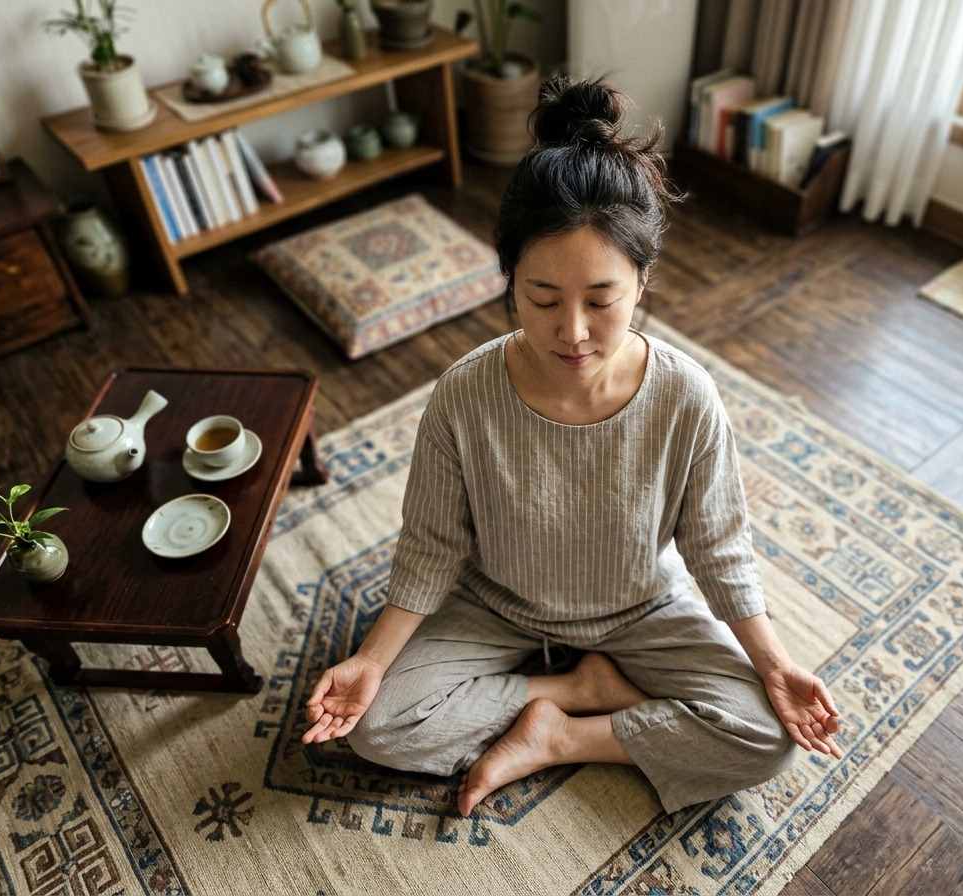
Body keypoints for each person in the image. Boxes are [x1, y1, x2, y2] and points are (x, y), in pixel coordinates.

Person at [301, 73, 843, 818]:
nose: (573, 332)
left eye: (602, 300)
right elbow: (431, 546)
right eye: (543, 299)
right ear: (509, 281)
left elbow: (719, 549)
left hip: (638, 606)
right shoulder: (465, 393)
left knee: (764, 732)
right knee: (382, 727)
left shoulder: (686, 397)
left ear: (643, 282)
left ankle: (561, 736)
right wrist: (370, 660)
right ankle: (573, 691)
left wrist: (775, 664)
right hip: (496, 603)